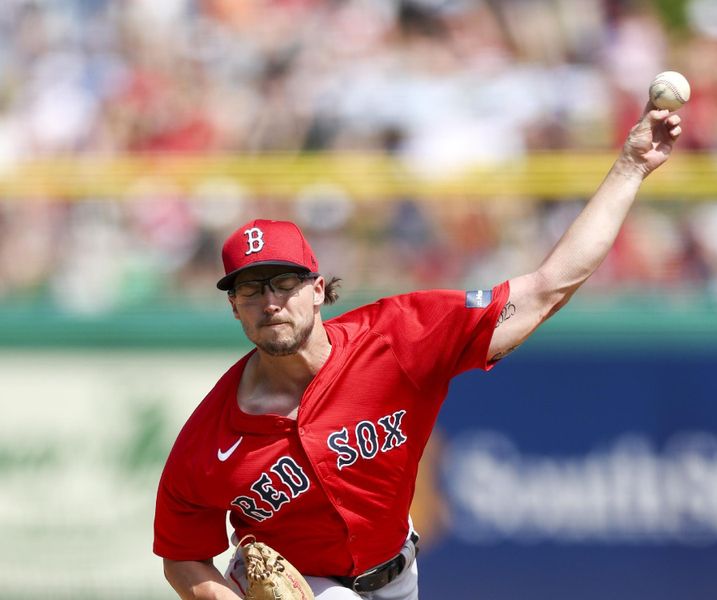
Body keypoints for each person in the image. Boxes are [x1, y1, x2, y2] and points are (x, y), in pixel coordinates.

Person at [153, 101, 682, 599]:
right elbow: (182, 556)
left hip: (397, 578)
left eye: (284, 283)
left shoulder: (400, 337)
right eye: (250, 289)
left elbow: (546, 288)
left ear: (318, 289)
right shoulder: (209, 441)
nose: (270, 302)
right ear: (234, 307)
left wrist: (631, 166)